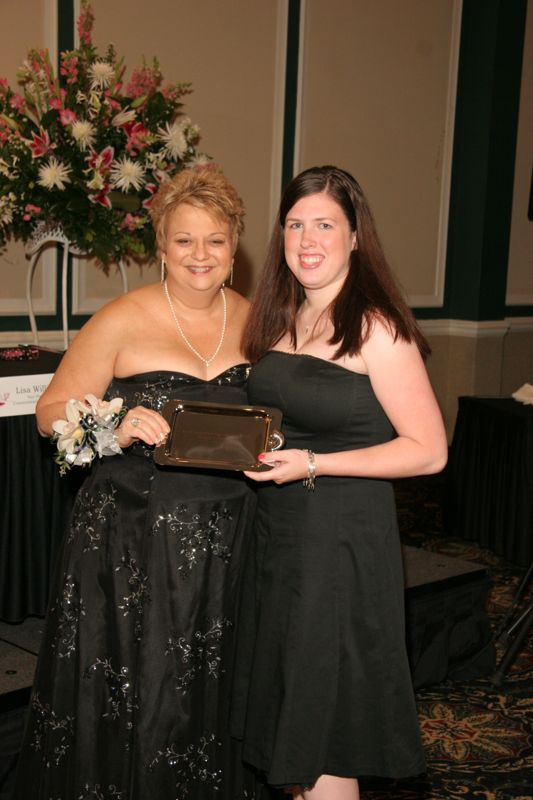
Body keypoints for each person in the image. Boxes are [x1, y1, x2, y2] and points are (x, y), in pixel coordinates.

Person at [15, 166, 265, 799]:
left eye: (214, 240)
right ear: (162, 246)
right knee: (142, 682)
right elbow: (50, 415)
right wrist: (115, 424)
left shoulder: (263, 322)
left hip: (231, 536)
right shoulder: (123, 318)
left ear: (234, 248)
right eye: (184, 241)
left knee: (211, 683)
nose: (200, 256)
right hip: (131, 541)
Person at [230, 165, 448, 799]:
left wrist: (315, 464)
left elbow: (429, 451)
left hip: (340, 546)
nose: (307, 239)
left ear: (356, 237)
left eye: (324, 224)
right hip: (280, 539)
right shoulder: (283, 320)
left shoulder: (377, 327)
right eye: (295, 225)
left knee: (321, 735)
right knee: (291, 727)